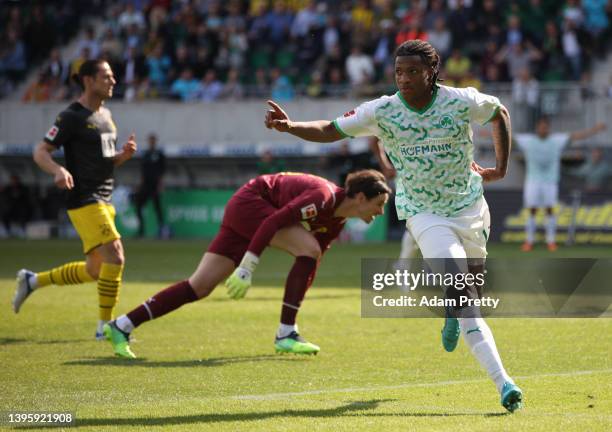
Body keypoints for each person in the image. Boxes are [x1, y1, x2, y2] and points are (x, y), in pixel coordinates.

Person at [264, 40, 523, 413]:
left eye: (412, 72)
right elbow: (330, 128)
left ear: (431, 72)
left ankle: (452, 311)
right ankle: (505, 383)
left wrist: (500, 167)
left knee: (470, 292)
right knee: (464, 294)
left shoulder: (461, 100)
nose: (403, 79)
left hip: (470, 208)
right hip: (424, 214)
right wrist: (290, 127)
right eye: (399, 72)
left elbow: (499, 113)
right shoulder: (383, 110)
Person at [104, 170, 391, 359]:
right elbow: (273, 222)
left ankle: (122, 325)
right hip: (250, 204)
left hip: (246, 214)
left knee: (199, 286)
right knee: (308, 248)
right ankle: (286, 332)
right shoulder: (324, 197)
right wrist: (247, 267)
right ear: (361, 197)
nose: (380, 212)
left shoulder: (337, 221)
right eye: (378, 204)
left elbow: (313, 258)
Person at [12, 59, 137, 340]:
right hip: (84, 198)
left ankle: (32, 281)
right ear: (87, 80)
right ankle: (105, 328)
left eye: (113, 76)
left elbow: (105, 161)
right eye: (106, 76)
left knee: (96, 270)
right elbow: (41, 151)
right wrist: (58, 170)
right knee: (115, 256)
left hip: (105, 198)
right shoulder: (71, 116)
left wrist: (122, 157)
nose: (113, 81)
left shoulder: (106, 117)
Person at [515, 116, 606, 251]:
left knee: (550, 210)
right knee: (532, 210)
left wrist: (595, 130)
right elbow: (507, 136)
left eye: (545, 126)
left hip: (550, 182)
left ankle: (551, 241)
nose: (543, 129)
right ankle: (529, 241)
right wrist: (488, 133)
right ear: (537, 128)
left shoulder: (557, 140)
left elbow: (577, 136)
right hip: (533, 181)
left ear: (548, 128)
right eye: (541, 126)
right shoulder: (528, 141)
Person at [135, 133, 166, 238]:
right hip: (146, 185)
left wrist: (160, 183)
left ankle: (161, 231)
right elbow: (142, 171)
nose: (151, 142)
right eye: (150, 140)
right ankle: (141, 231)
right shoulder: (145, 154)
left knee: (158, 208)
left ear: (155, 141)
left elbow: (162, 170)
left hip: (155, 185)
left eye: (153, 140)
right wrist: (140, 184)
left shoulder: (159, 154)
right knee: (139, 205)